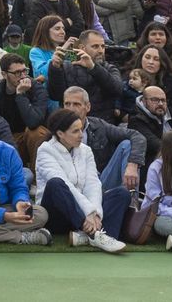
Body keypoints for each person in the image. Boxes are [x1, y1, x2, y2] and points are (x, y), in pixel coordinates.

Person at [34, 108, 127, 252]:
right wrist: (88, 212)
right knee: (56, 183)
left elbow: (93, 183)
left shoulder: (85, 150)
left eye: (81, 129)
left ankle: (91, 236)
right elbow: (66, 185)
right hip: (57, 214)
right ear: (60, 134)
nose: (81, 135)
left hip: (83, 213)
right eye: (75, 131)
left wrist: (96, 212)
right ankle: (95, 235)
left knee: (122, 193)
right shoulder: (45, 150)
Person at [60, 86, 145, 192]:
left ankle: (131, 198)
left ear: (88, 107)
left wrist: (132, 164)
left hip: (101, 183)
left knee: (126, 145)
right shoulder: (57, 130)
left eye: (76, 104)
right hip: (71, 187)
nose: (71, 109)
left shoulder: (99, 125)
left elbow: (137, 136)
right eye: (67, 104)